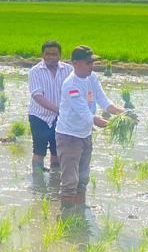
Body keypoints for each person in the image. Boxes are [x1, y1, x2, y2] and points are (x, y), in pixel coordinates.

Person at [55, 46, 132, 205]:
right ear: (76, 63)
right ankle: (67, 218)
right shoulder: (71, 85)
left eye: (93, 63)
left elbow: (104, 102)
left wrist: (125, 114)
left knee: (82, 179)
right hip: (69, 137)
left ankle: (80, 213)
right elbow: (87, 115)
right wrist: (113, 125)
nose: (92, 66)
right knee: (70, 182)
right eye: (88, 63)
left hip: (85, 135)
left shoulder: (92, 77)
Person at [27, 40, 73, 173]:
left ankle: (55, 181)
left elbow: (74, 92)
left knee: (57, 150)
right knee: (39, 150)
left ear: (60, 55)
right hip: (39, 116)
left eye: (54, 54)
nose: (51, 57)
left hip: (61, 118)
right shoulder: (35, 71)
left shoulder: (69, 70)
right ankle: (38, 182)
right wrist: (58, 110)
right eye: (48, 54)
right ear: (42, 54)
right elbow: (37, 96)